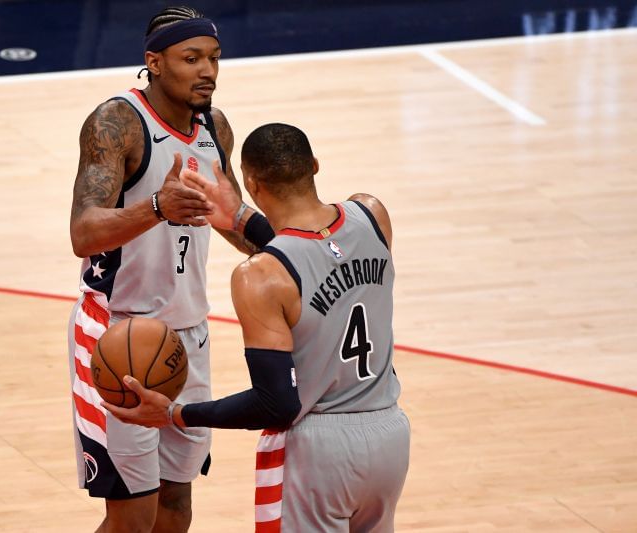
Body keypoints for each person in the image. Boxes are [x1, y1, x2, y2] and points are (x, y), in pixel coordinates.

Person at [104, 123, 411, 532]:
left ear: (251, 182)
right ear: (314, 165)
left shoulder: (259, 276)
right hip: (389, 435)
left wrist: (176, 414)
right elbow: (317, 256)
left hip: (318, 447)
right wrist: (242, 219)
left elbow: (277, 404)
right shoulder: (372, 214)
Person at [68, 6, 259, 532]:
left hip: (190, 334)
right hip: (118, 332)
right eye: (191, 58)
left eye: (215, 58)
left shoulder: (214, 127)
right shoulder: (117, 124)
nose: (208, 71)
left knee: (176, 508)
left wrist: (294, 248)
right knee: (133, 515)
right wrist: (156, 208)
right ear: (154, 62)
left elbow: (229, 219)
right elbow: (83, 233)